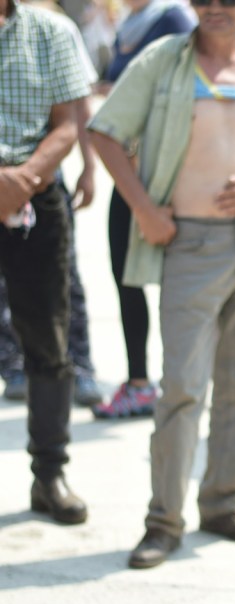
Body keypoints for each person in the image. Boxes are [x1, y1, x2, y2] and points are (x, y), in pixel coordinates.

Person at [88, 0, 235, 569]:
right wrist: (144, 209)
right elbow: (105, 132)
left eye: (230, 0)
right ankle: (163, 520)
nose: (217, 8)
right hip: (189, 242)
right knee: (183, 389)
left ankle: (223, 502)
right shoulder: (164, 61)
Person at [0, 0, 93, 523]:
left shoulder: (50, 30)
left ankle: (49, 474)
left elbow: (67, 123)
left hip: (36, 197)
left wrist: (20, 181)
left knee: (48, 338)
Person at [89, 0, 194, 420]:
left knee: (183, 284)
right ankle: (139, 382)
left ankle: (182, 385)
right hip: (129, 174)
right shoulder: (129, 24)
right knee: (125, 276)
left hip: (171, 175)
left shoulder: (175, 18)